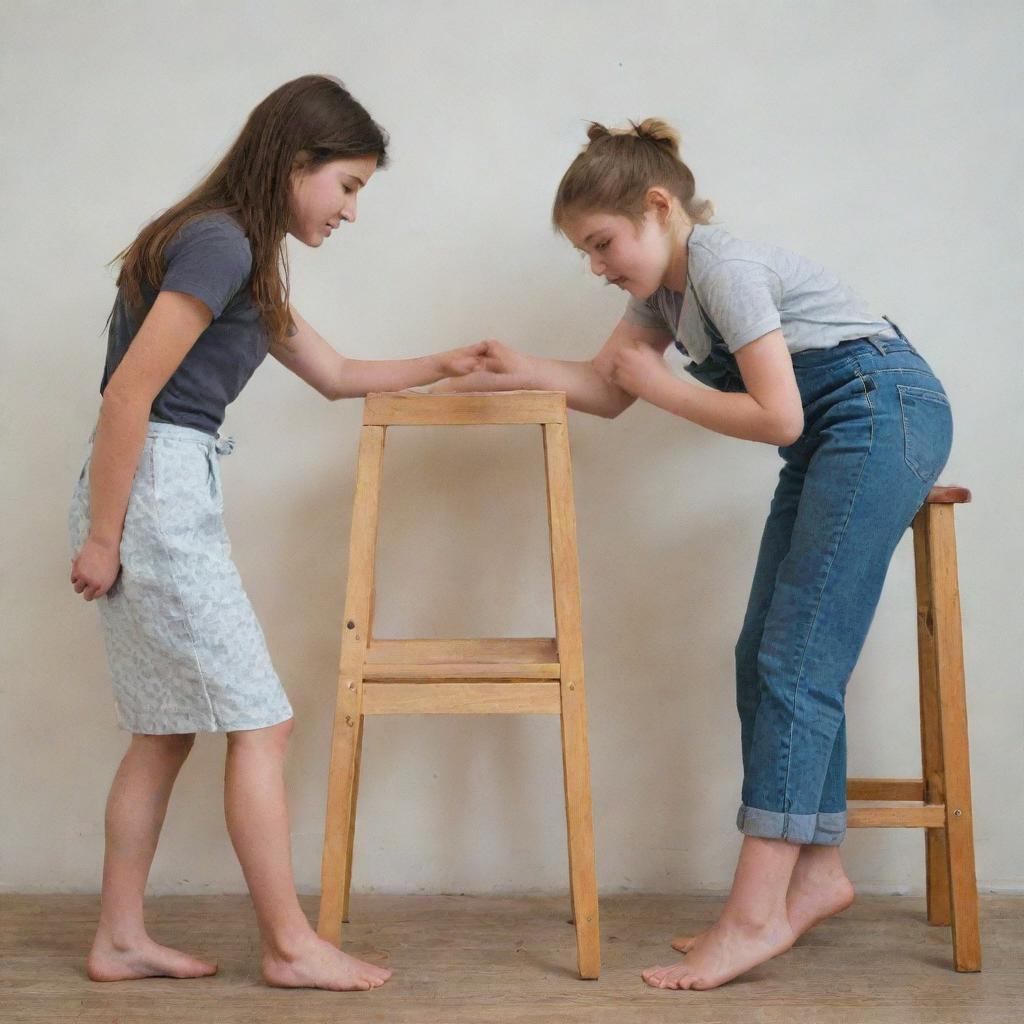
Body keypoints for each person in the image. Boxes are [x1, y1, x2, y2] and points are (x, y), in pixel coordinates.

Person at [443, 118, 953, 990]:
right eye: (585, 255)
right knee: (762, 654)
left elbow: (777, 416)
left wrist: (667, 388)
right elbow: (610, 392)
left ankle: (752, 917)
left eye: (604, 244)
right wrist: (516, 367)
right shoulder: (663, 296)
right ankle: (818, 876)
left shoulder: (719, 263)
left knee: (796, 661)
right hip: (835, 432)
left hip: (881, 410)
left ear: (658, 206)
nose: (599, 266)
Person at [68, 74, 486, 991]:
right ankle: (292, 945)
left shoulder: (241, 253)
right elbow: (130, 393)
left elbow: (334, 373)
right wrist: (107, 534)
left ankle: (120, 937)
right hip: (156, 490)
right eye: (349, 186)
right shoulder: (219, 243)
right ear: (298, 162)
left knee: (165, 730)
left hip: (163, 483)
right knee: (266, 722)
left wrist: (445, 363)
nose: (351, 211)